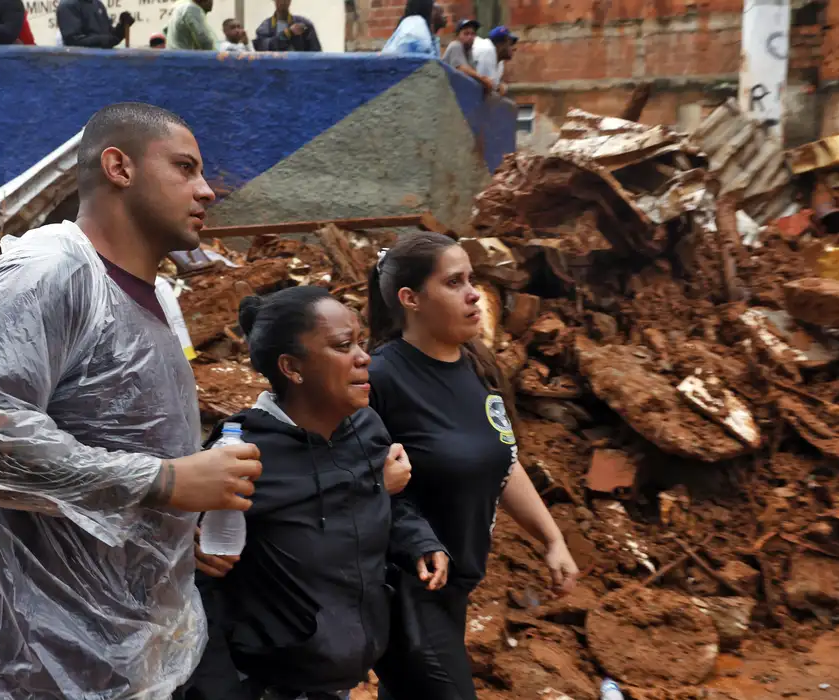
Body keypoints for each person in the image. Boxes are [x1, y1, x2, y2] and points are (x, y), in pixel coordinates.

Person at [0, 102, 264, 699]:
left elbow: (114, 447)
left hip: (130, 652)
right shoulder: (48, 272)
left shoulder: (152, 296)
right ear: (118, 166)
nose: (207, 191)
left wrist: (176, 516)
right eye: (185, 168)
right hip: (41, 665)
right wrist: (162, 482)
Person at [180, 287, 449, 700]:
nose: (364, 358)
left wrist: (417, 540)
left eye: (361, 342)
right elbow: (201, 584)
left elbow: (384, 497)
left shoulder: (365, 428)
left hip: (339, 678)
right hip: (268, 685)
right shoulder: (242, 455)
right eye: (343, 346)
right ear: (292, 367)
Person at [367, 232, 580, 700]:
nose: (474, 294)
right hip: (402, 589)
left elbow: (502, 462)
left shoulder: (476, 367)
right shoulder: (380, 378)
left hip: (455, 584)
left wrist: (552, 538)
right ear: (411, 299)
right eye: (454, 282)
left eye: (473, 280)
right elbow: (353, 477)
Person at [442, 18, 495, 93]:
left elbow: (473, 75)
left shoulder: (469, 52)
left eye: (473, 34)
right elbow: (462, 69)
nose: (470, 37)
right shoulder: (455, 45)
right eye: (466, 34)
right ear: (457, 36)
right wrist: (484, 80)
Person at [56, 0, 133, 48]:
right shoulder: (68, 5)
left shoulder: (98, 4)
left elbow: (111, 38)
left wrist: (122, 27)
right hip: (80, 66)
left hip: (103, 64)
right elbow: (73, 41)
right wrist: (102, 40)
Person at [253, 0, 319, 52]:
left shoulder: (305, 24)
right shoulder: (265, 27)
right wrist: (287, 33)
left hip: (299, 68)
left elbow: (315, 53)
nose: (283, 2)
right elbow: (263, 48)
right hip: (274, 68)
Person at [473, 25, 517, 96]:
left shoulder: (500, 63)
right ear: (500, 45)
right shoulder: (487, 49)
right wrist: (498, 88)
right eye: (510, 44)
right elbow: (484, 86)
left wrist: (499, 86)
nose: (514, 48)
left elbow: (493, 86)